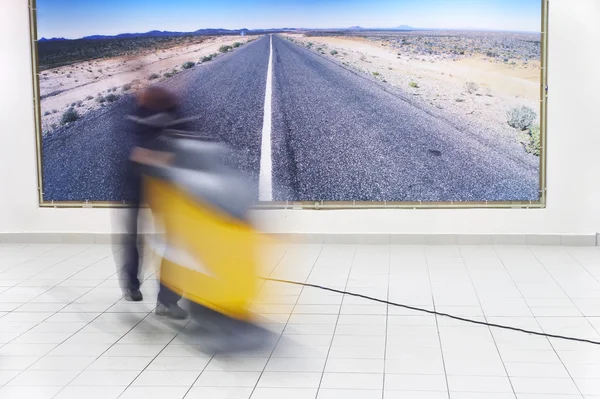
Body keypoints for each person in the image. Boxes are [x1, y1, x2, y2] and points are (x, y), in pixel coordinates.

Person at [120, 85, 189, 319]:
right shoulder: (133, 111)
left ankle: (167, 300)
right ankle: (131, 283)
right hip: (136, 178)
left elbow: (187, 142)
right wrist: (169, 157)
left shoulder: (177, 110)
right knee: (134, 234)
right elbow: (133, 152)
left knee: (175, 237)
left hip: (165, 182)